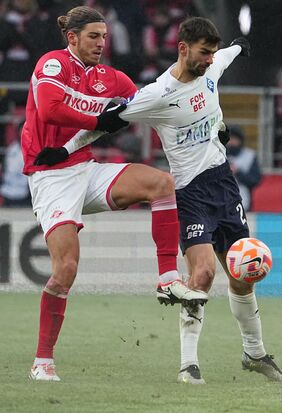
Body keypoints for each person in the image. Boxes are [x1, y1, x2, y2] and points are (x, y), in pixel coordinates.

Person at [35, 16, 282, 385]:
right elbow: (108, 122)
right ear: (183, 48)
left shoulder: (213, 65)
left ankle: (254, 353)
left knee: (242, 274)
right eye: (204, 54)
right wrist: (64, 149)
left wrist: (238, 45)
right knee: (202, 274)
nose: (209, 61)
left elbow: (228, 56)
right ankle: (188, 365)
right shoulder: (157, 95)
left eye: (212, 54)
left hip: (224, 184)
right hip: (190, 193)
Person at [22, 6, 204, 382]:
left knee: (161, 183)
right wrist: (97, 120)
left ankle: (168, 276)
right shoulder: (53, 65)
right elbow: (50, 108)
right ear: (72, 38)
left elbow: (151, 107)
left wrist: (207, 126)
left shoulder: (112, 78)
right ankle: (42, 361)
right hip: (50, 177)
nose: (101, 44)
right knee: (65, 270)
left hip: (85, 169)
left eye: (104, 37)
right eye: (93, 37)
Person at [225, 126, 262, 212]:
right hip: (220, 202)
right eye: (230, 139)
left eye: (234, 139)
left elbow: (255, 179)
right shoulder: (218, 155)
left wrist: (238, 172)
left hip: (243, 201)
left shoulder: (250, 155)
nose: (231, 142)